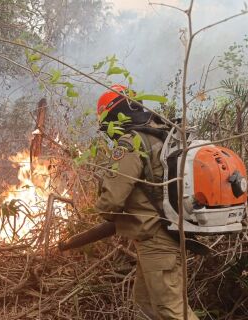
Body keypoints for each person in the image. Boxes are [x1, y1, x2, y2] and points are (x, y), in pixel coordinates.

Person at [94, 84, 199, 320]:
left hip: (158, 239)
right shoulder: (162, 133)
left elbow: (112, 198)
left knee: (170, 310)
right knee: (144, 307)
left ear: (113, 116)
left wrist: (101, 211)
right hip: (165, 233)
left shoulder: (132, 141)